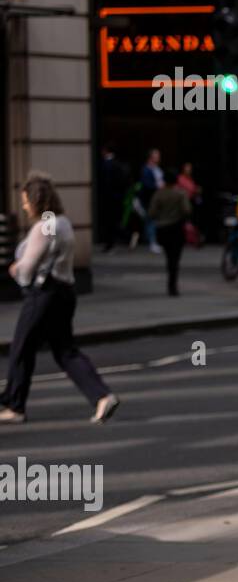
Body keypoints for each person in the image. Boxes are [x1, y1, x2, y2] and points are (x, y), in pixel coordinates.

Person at [0, 172, 118, 424]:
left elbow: (27, 268)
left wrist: (16, 270)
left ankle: (14, 406)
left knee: (21, 348)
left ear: (35, 200)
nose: (23, 205)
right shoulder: (62, 222)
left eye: (25, 200)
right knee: (65, 351)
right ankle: (102, 396)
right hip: (65, 293)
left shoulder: (44, 227)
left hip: (43, 295)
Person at [148, 170, 191, 297]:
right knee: (175, 258)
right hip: (176, 228)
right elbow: (187, 210)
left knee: (169, 256)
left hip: (162, 229)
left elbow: (151, 213)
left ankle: (171, 281)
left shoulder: (158, 194)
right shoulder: (180, 194)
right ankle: (172, 284)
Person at [97, 145, 128, 252]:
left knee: (109, 222)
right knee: (114, 221)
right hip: (116, 198)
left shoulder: (107, 164)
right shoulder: (118, 164)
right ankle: (114, 241)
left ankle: (111, 242)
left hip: (108, 198)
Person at [139, 148, 163, 254]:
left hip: (156, 199)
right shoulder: (146, 170)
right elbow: (147, 185)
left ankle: (152, 241)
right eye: (156, 156)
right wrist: (157, 186)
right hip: (149, 199)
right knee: (150, 221)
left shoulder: (156, 169)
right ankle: (152, 242)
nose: (158, 158)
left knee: (153, 221)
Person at [176, 162, 203, 247]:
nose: (189, 170)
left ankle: (191, 239)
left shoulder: (191, 179)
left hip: (191, 202)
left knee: (190, 221)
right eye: (187, 168)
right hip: (182, 203)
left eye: (190, 168)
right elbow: (178, 190)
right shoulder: (180, 178)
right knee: (183, 221)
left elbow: (193, 189)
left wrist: (196, 190)